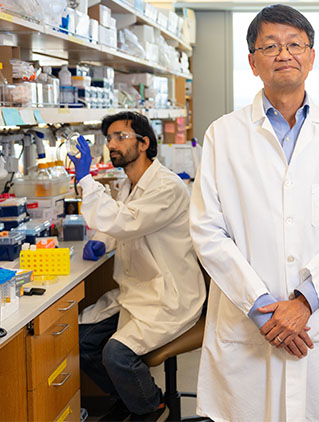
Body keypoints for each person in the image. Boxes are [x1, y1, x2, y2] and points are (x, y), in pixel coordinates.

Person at [189, 4, 319, 422]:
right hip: (249, 325)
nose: (283, 54)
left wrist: (304, 303)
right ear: (253, 62)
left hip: (317, 322)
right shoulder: (223, 135)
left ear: (311, 56)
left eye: (294, 44)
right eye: (270, 46)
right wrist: (263, 310)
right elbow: (207, 231)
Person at [69, 111, 206, 422]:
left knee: (116, 354)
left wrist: (85, 180)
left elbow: (127, 220)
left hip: (169, 295)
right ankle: (127, 399)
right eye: (110, 139)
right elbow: (120, 220)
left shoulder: (167, 187)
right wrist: (101, 242)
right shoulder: (128, 184)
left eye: (121, 137)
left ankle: (152, 408)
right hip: (138, 291)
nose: (113, 145)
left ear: (144, 143)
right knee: (81, 342)